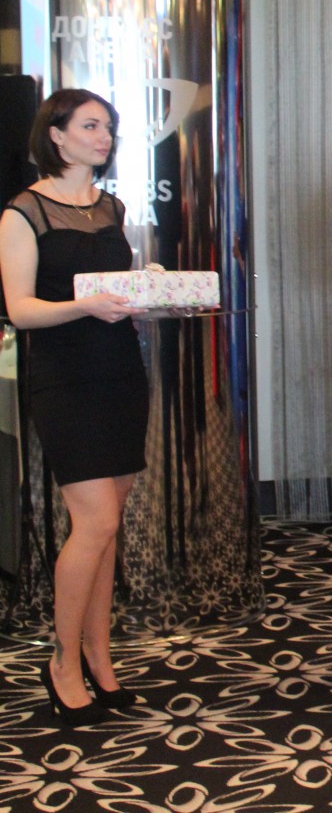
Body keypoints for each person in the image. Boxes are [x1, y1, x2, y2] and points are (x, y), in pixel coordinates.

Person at [0, 89, 148, 728]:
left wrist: (146, 290)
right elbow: (20, 309)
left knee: (108, 525)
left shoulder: (111, 207)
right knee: (95, 521)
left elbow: (116, 289)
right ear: (56, 135)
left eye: (108, 126)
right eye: (90, 125)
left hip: (121, 373)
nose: (104, 136)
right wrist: (86, 306)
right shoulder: (23, 212)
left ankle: (98, 655)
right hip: (63, 379)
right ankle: (62, 662)